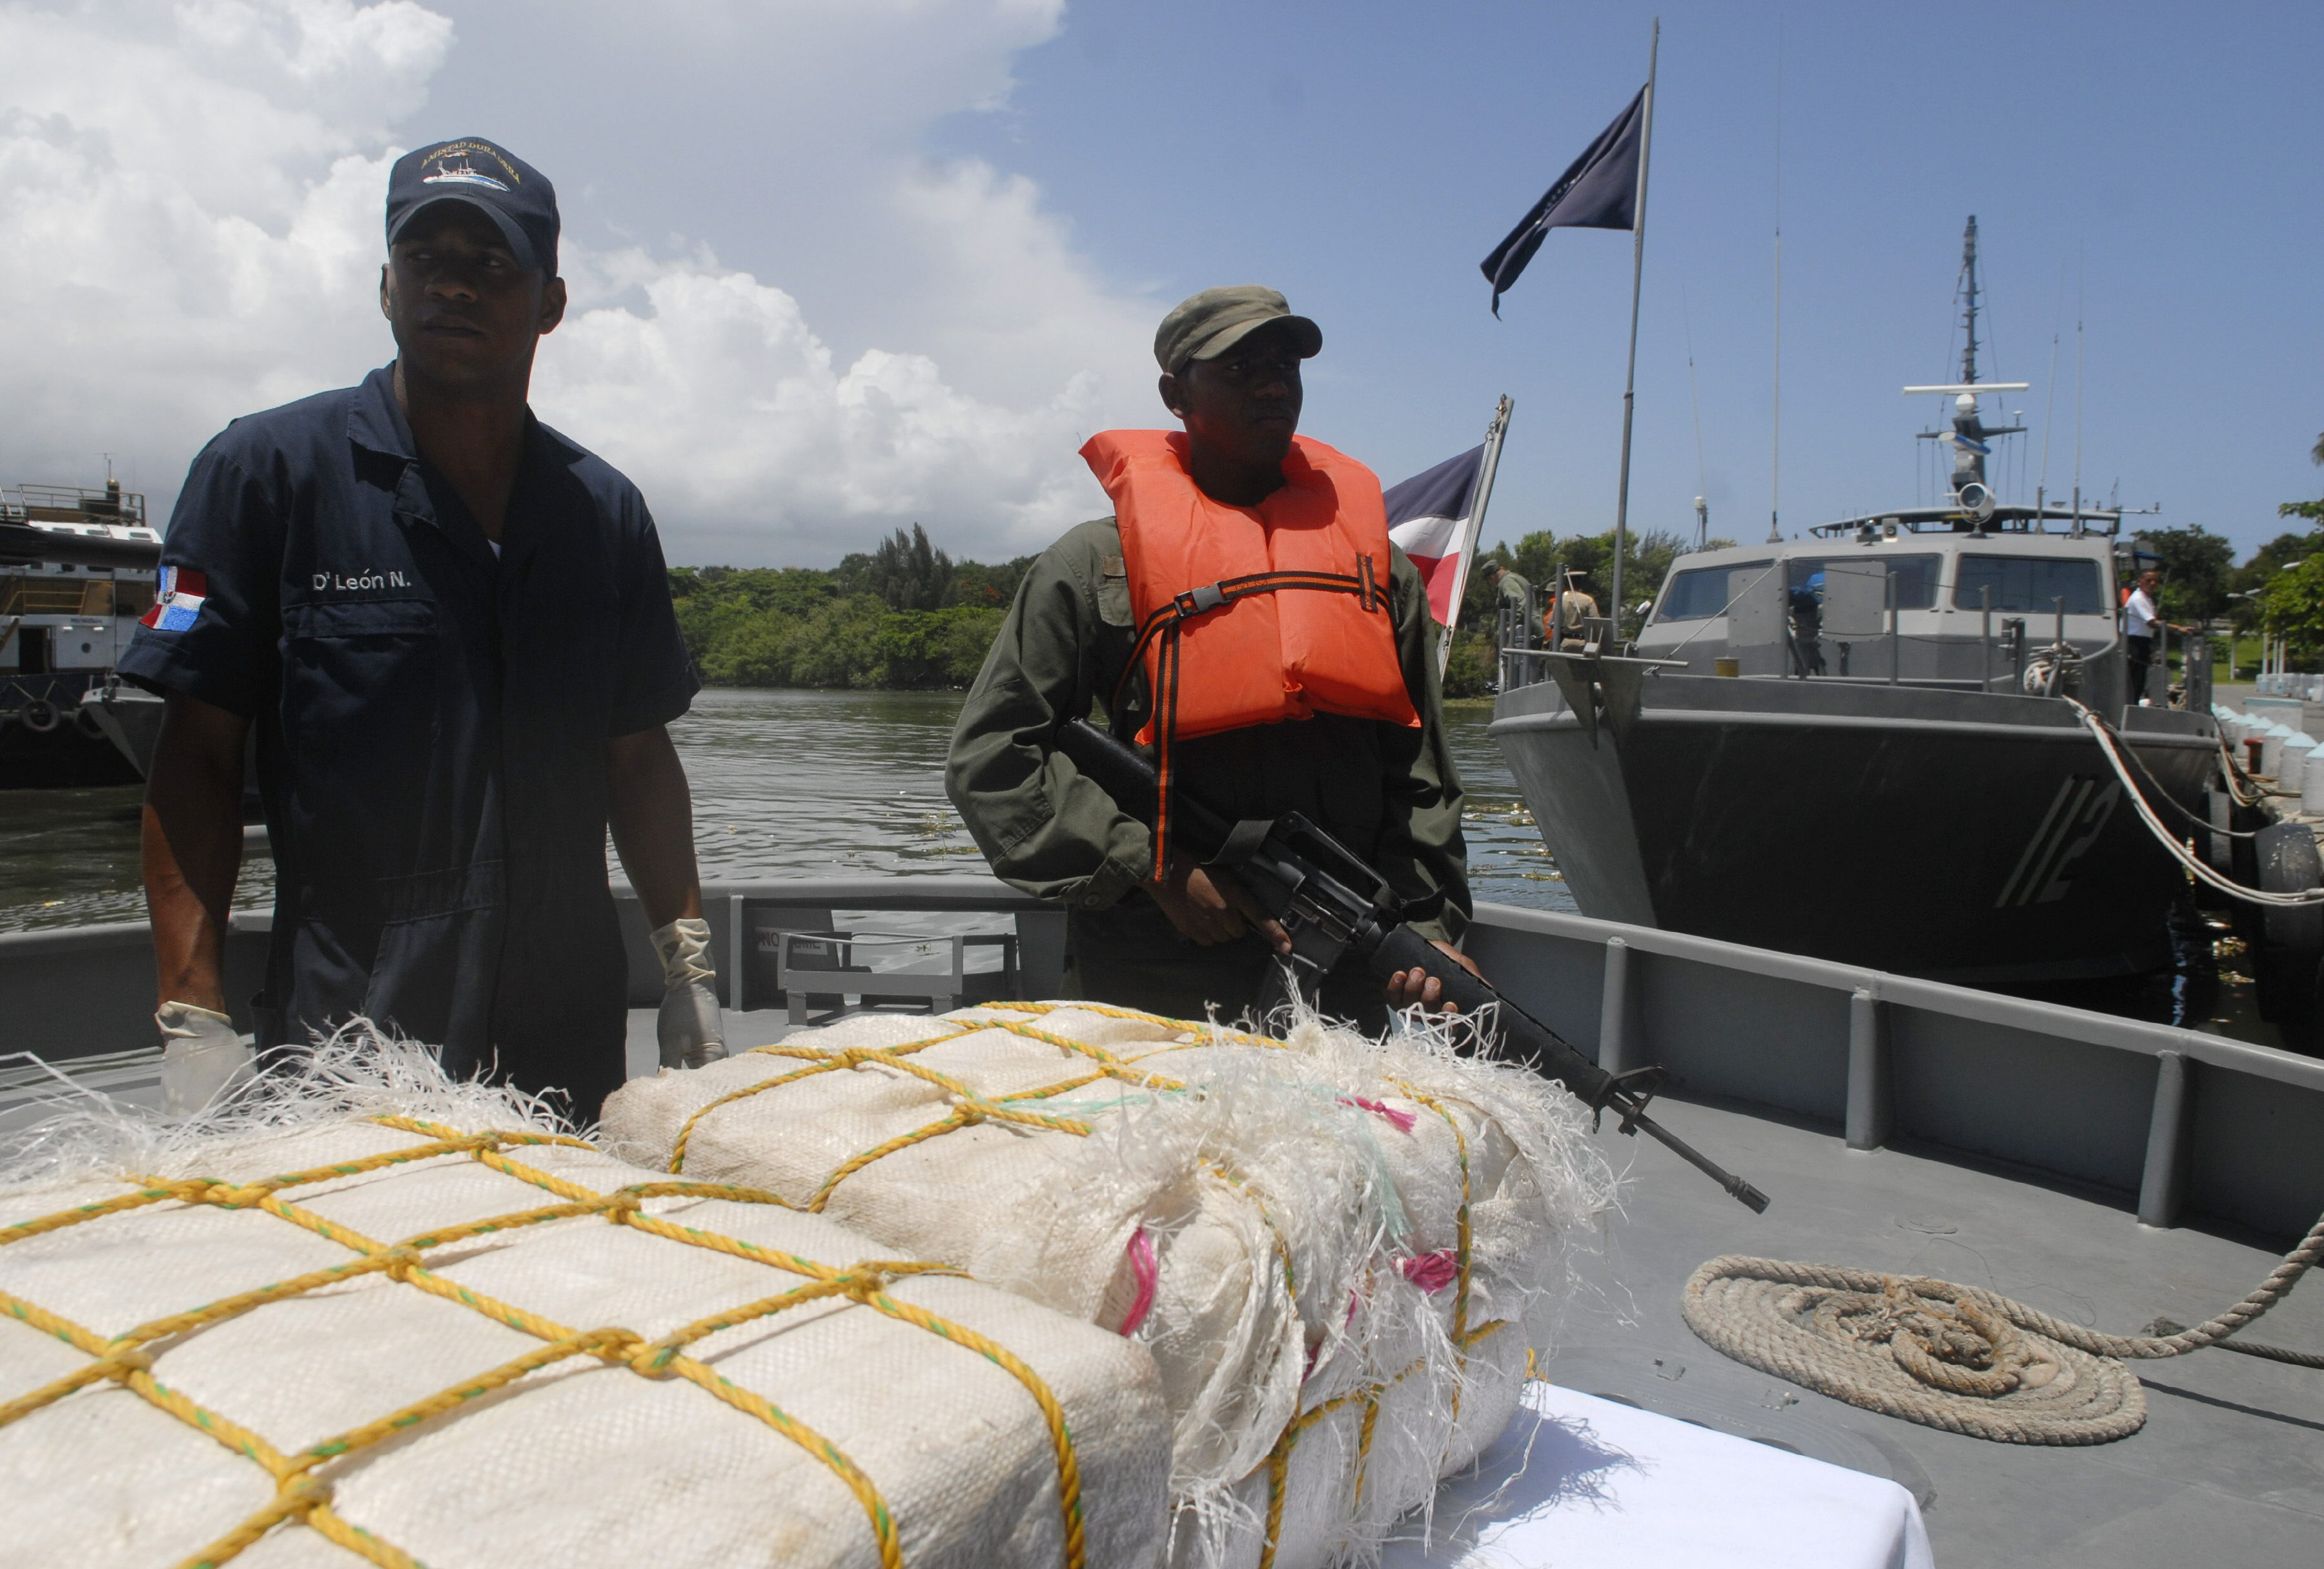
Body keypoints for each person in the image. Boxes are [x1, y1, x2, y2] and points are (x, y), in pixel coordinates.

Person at [124, 137, 722, 1120]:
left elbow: (638, 759)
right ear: (386, 287)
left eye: (491, 265)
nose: (454, 287)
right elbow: (196, 758)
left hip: (564, 1032)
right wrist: (193, 1007)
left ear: (549, 303)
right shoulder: (264, 474)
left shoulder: (603, 512)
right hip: (351, 1033)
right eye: (426, 260)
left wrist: (686, 962)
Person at [945, 285, 1478, 1026]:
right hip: (1154, 959)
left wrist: (1432, 928)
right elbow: (993, 754)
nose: (1271, 385)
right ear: (1175, 394)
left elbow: (1420, 772)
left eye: (1286, 367)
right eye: (1239, 368)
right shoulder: (1094, 564)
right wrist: (1150, 868)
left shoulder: (1376, 573)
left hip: (1345, 957)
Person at [2121, 569, 2190, 705]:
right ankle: (2130, 707)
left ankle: (2134, 705)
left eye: (2155, 581)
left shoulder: (2147, 599)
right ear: (2140, 581)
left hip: (2144, 642)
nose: (2152, 583)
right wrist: (2178, 628)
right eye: (2148, 581)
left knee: (2140, 680)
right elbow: (2152, 622)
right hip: (2135, 643)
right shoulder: (2138, 599)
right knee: (2134, 681)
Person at [1544, 568, 1600, 650]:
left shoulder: (1559, 600)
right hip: (1584, 643)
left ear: (1567, 584)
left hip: (1564, 643)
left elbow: (1553, 623)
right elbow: (1596, 623)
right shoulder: (1588, 600)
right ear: (1581, 584)